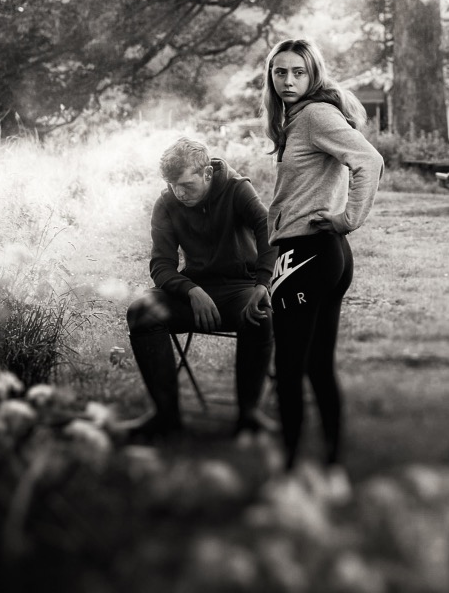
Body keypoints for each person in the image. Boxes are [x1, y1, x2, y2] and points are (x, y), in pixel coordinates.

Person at [262, 38, 384, 472]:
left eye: (298, 72)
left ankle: (289, 471)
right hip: (321, 255)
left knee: (291, 369)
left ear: (314, 74)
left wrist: (348, 218)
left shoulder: (314, 115)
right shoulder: (298, 119)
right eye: (280, 72)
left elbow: (369, 161)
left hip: (308, 255)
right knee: (315, 366)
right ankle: (331, 465)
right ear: (271, 75)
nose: (288, 80)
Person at [121, 137, 277, 443]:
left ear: (207, 174)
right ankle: (166, 416)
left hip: (240, 288)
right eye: (171, 185)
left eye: (185, 185)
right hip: (193, 292)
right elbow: (161, 267)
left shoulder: (236, 188)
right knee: (140, 311)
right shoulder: (167, 202)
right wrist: (191, 290)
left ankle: (249, 416)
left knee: (261, 314)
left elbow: (267, 228)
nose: (178, 193)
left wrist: (263, 283)